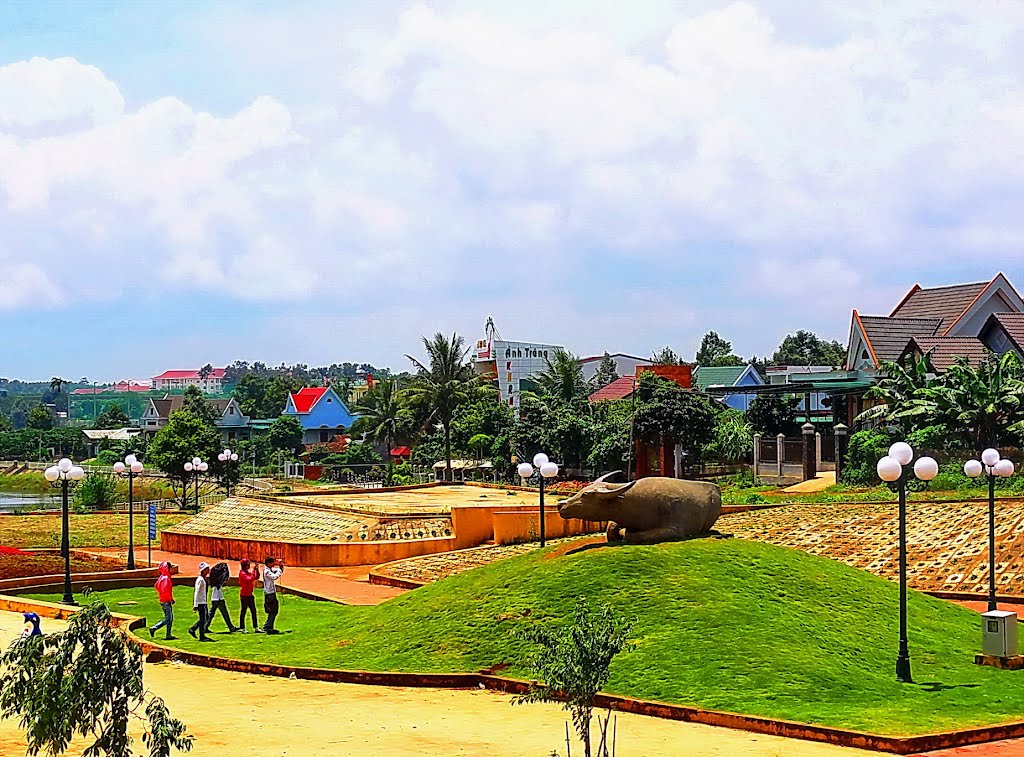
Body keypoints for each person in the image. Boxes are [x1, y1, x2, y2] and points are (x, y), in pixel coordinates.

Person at [205, 562, 237, 634]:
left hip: (216, 598)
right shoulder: (217, 583)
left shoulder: (215, 582)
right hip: (218, 598)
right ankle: (231, 627)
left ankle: (205, 626)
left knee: (212, 614)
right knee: (224, 613)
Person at [149, 561, 177, 640]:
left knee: (170, 618)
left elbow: (156, 586)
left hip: (164, 599)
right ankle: (154, 628)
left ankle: (168, 635)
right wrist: (168, 598)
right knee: (168, 618)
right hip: (165, 601)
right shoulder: (166, 578)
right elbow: (165, 590)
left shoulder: (162, 576)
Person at [188, 562, 213, 641]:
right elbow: (197, 592)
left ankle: (193, 629)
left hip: (203, 601)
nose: (208, 570)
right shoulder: (200, 580)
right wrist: (195, 604)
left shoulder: (203, 579)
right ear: (204, 570)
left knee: (206, 617)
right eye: (207, 569)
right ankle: (201, 636)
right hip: (200, 602)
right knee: (203, 619)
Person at [261, 556, 284, 634]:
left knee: (273, 610)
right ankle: (268, 626)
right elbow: (274, 577)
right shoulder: (267, 571)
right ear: (268, 563)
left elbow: (278, 570)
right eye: (272, 563)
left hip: (271, 593)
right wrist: (280, 571)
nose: (274, 564)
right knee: (273, 610)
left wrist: (281, 567)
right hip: (269, 594)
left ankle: (268, 625)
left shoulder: (269, 569)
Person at [237, 559, 261, 633]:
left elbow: (256, 577)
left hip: (250, 595)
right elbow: (249, 579)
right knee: (243, 612)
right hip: (244, 596)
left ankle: (256, 627)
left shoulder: (248, 572)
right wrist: (254, 571)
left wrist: (257, 570)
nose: (249, 565)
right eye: (248, 564)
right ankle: (242, 628)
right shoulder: (242, 573)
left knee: (253, 611)